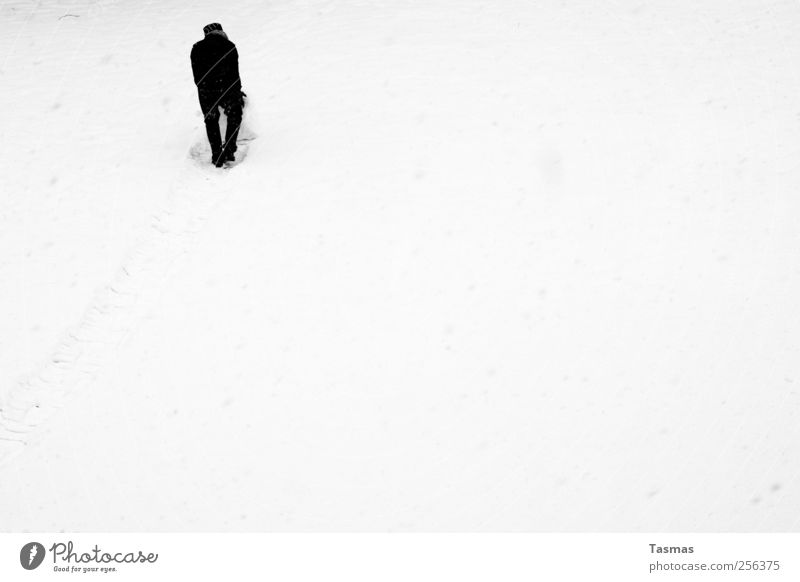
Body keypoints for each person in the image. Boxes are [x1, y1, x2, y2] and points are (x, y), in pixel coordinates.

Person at [190, 23, 245, 167]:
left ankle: (217, 155)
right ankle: (229, 149)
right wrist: (237, 91)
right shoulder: (229, 46)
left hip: (206, 90)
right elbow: (234, 73)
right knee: (234, 114)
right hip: (227, 88)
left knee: (211, 120)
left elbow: (197, 76)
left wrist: (204, 88)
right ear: (220, 31)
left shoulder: (196, 48)